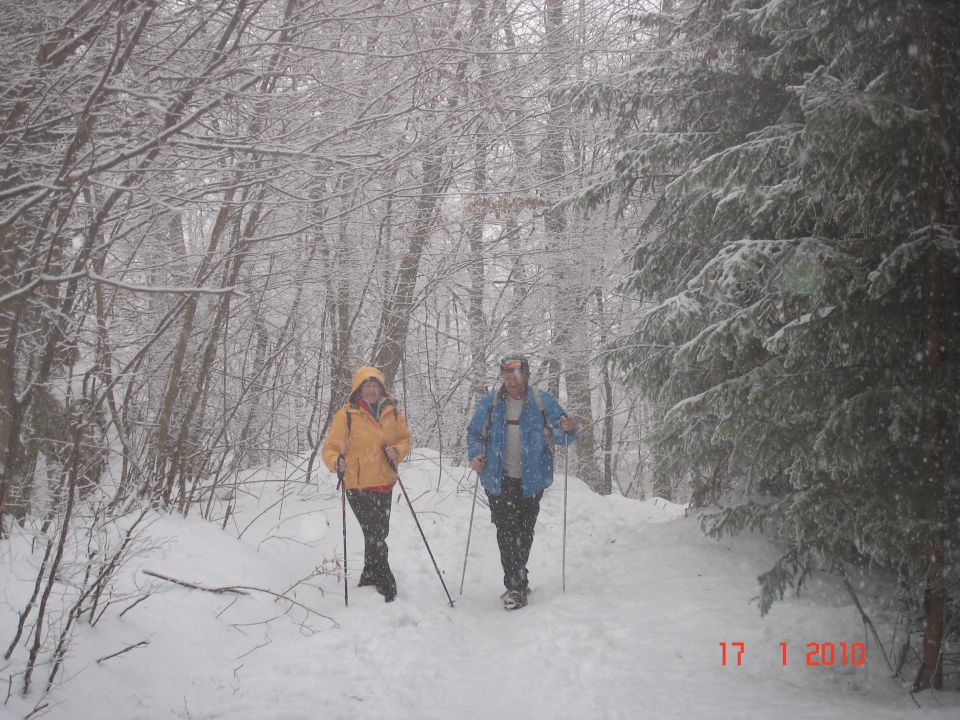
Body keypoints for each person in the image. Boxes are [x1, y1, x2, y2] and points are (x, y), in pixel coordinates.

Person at [466, 353, 576, 610]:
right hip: (498, 479)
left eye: (515, 376)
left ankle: (519, 577)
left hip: (531, 480)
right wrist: (476, 455)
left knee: (524, 532)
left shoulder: (541, 401)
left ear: (526, 375)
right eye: (506, 376)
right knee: (506, 532)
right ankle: (514, 585)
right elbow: (474, 433)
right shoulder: (491, 403)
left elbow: (562, 436)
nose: (511, 381)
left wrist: (568, 427)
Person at [322, 367, 411, 602]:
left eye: (375, 386)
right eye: (367, 386)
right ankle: (384, 578)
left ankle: (369, 573)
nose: (372, 390)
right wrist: (335, 462)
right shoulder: (347, 415)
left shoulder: (392, 412)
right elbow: (330, 448)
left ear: (382, 388)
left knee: (379, 531)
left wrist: (397, 451)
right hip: (357, 483)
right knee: (374, 532)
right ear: (358, 389)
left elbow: (405, 439)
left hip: (385, 481)